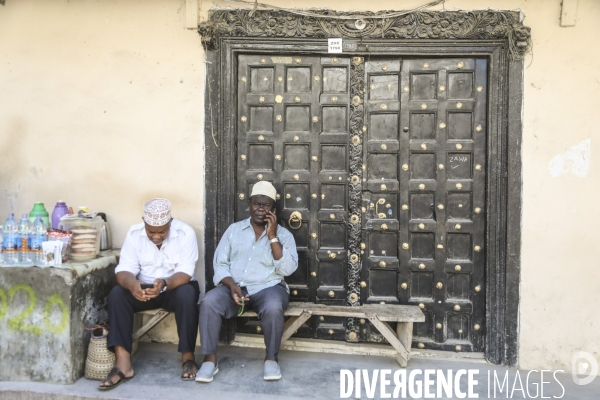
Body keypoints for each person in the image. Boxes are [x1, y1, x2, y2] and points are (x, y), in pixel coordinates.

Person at [196, 181, 298, 383]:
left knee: (273, 306)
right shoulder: (234, 231)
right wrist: (233, 286)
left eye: (266, 205)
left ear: (273, 210)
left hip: (268, 287)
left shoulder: (284, 235)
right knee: (209, 301)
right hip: (233, 286)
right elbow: (220, 264)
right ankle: (209, 360)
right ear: (249, 205)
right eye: (256, 204)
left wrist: (272, 236)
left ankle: (271, 358)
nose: (261, 208)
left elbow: (287, 269)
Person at [100, 198, 200, 390]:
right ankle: (123, 364)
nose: (155, 236)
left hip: (174, 287)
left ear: (170, 223)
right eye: (151, 232)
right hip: (143, 288)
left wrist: (164, 283)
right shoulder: (134, 233)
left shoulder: (185, 233)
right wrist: (132, 284)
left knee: (187, 294)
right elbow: (124, 270)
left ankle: (188, 358)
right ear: (144, 223)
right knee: (117, 294)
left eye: (161, 231)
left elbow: (186, 272)